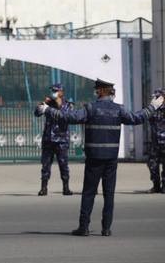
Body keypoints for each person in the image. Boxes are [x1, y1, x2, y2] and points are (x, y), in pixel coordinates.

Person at [38, 78, 154, 236]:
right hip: (111, 159)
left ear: (100, 91)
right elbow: (137, 118)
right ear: (110, 92)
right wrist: (153, 106)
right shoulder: (119, 109)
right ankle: (106, 228)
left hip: (94, 159)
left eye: (96, 89)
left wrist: (47, 110)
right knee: (109, 194)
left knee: (89, 193)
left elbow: (69, 117)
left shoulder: (90, 108)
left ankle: (83, 227)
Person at [34, 83, 73, 196]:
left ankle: (66, 188)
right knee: (45, 165)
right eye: (52, 91)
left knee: (63, 164)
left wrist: (58, 102)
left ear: (61, 92)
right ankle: (44, 188)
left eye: (56, 91)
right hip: (48, 139)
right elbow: (37, 113)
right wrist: (44, 103)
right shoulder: (48, 104)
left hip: (61, 139)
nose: (54, 93)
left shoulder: (67, 104)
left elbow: (65, 115)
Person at [145, 87, 165, 193]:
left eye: (158, 97)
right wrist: (152, 107)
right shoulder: (153, 109)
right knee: (152, 164)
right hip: (155, 142)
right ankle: (156, 185)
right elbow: (145, 116)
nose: (156, 99)